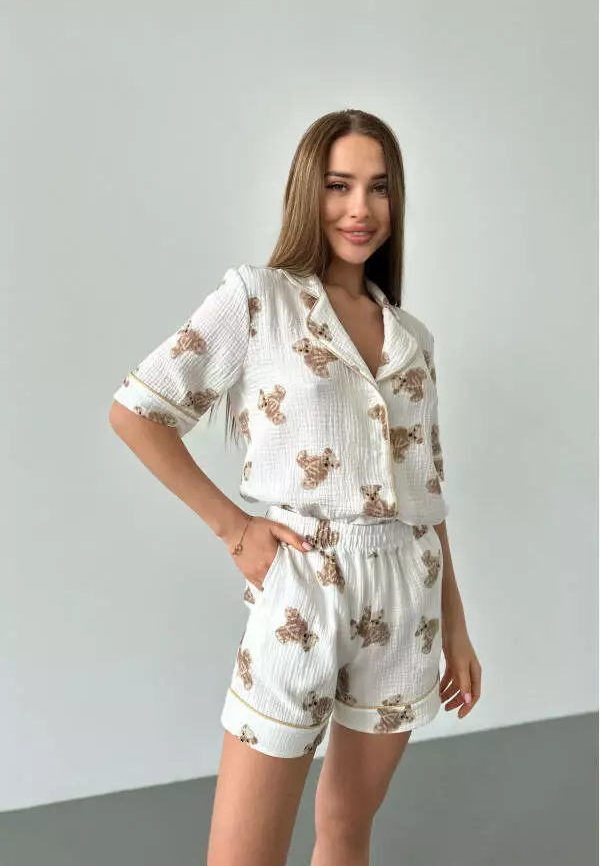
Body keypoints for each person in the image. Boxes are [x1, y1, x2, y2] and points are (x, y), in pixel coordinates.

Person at [109, 108, 482, 866]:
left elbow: (426, 492)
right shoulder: (258, 299)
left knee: (346, 830)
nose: (360, 208)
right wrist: (236, 529)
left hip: (405, 593)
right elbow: (137, 411)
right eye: (339, 185)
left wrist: (457, 624)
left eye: (379, 188)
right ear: (308, 192)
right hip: (301, 585)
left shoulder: (412, 340)